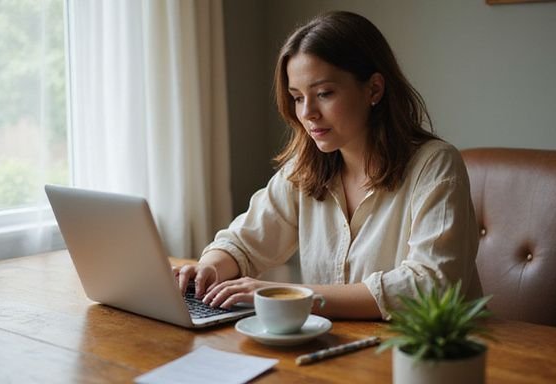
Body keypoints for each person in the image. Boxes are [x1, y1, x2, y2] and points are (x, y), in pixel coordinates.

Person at [175, 10, 480, 320]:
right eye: (296, 97)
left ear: (374, 89)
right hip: (338, 348)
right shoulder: (305, 169)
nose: (307, 112)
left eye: (324, 93)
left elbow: (429, 286)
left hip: (431, 358)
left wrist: (287, 296)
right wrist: (208, 268)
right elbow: (244, 241)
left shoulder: (436, 166)